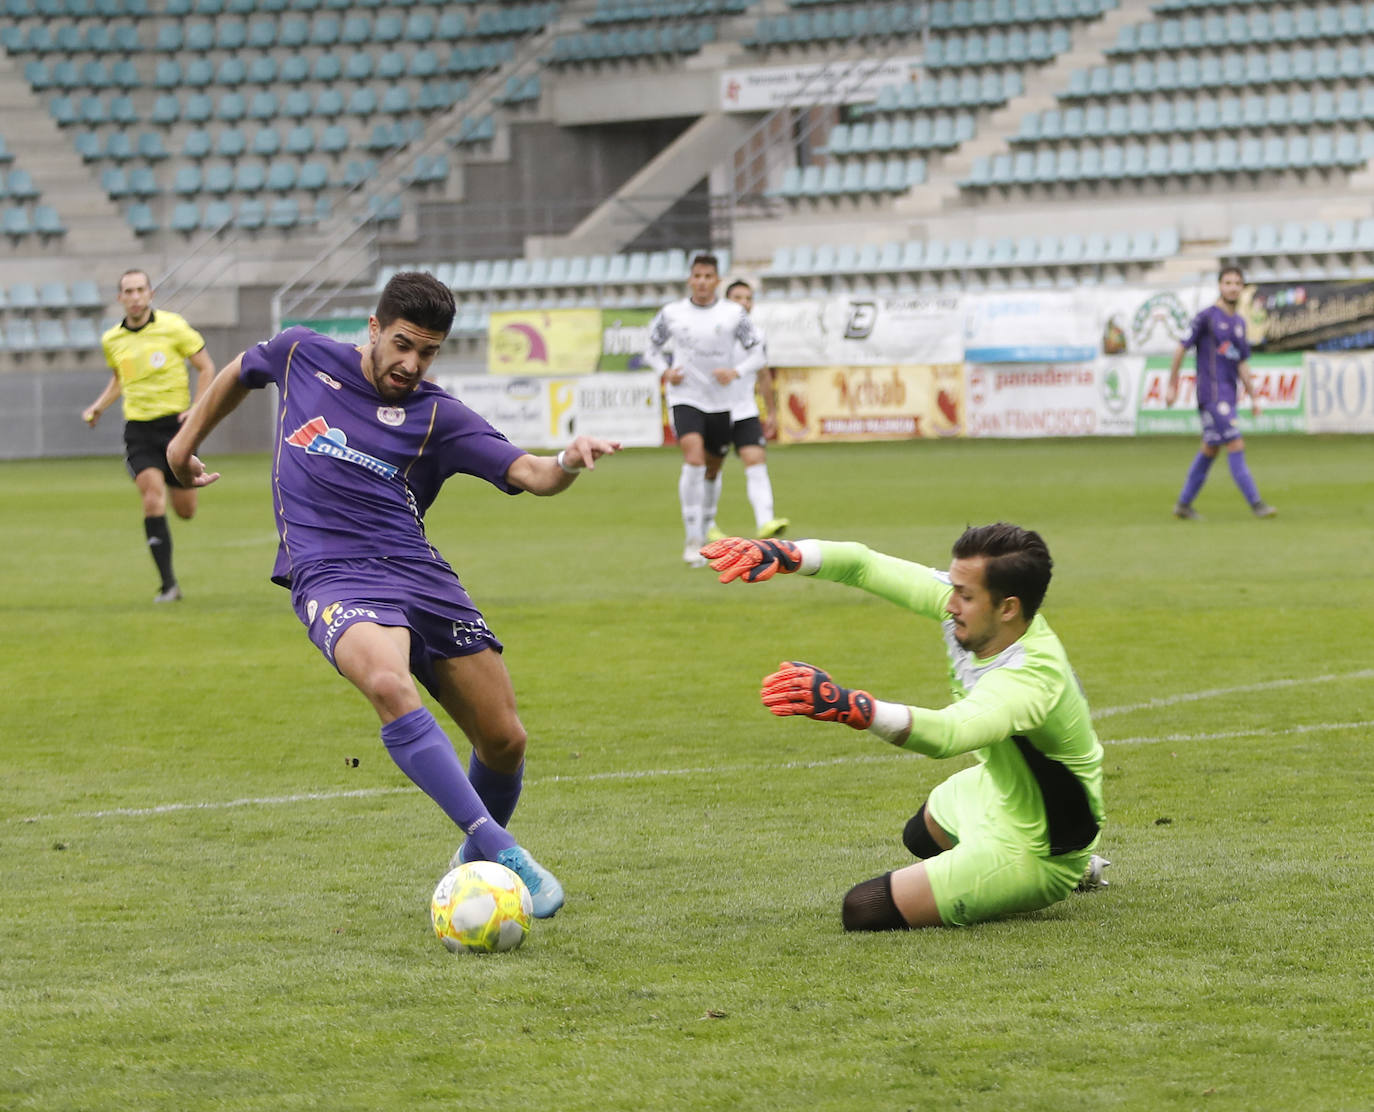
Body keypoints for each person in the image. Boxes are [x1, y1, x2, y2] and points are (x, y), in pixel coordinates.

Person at [166, 271, 620, 919]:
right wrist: (182, 448)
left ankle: (472, 874)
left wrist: (570, 460)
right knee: (386, 682)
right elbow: (242, 368)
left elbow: (532, 473)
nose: (412, 363)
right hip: (331, 572)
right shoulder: (304, 354)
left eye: (428, 352)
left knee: (504, 740)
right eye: (403, 344)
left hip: (419, 574)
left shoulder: (438, 413)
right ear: (373, 329)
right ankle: (499, 848)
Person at [701, 525, 1108, 930]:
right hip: (1000, 789)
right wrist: (784, 553)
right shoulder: (981, 617)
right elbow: (863, 565)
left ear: (1008, 607)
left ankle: (1063, 871)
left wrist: (853, 707)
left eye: (965, 596)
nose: (949, 604)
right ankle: (993, 865)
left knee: (863, 908)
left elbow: (950, 733)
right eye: (953, 587)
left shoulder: (1030, 679)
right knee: (919, 836)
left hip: (1041, 845)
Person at [82, 268, 216, 602]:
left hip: (176, 427)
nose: (135, 296)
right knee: (151, 496)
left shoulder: (174, 327)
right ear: (120, 298)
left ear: (150, 294)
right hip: (139, 429)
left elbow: (207, 367)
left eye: (140, 289)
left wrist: (197, 408)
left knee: (185, 511)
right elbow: (119, 380)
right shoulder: (112, 339)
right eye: (128, 291)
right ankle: (168, 585)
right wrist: (99, 406)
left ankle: (180, 487)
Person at [643, 253, 767, 567]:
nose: (702, 282)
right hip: (686, 396)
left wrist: (736, 371)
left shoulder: (733, 314)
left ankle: (706, 522)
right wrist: (665, 370)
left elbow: (757, 353)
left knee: (712, 468)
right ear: (690, 279)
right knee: (694, 459)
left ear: (717, 281)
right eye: (697, 276)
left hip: (721, 401)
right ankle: (692, 538)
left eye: (708, 276)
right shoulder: (672, 313)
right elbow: (651, 348)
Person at [1165, 266, 1276, 520]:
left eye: (1238, 283)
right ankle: (1257, 504)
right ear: (1219, 286)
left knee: (1210, 448)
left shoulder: (1239, 323)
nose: (1233, 287)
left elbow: (1242, 363)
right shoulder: (1206, 317)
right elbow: (1181, 348)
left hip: (1229, 394)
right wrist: (1172, 385)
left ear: (1242, 288)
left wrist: (1254, 396)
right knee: (1236, 442)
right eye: (1228, 282)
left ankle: (1183, 505)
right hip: (1211, 394)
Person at [699, 279, 787, 544]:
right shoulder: (711, 332)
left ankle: (765, 522)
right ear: (726, 301)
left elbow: (763, 374)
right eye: (738, 297)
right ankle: (706, 524)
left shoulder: (757, 336)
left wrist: (771, 411)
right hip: (715, 410)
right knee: (712, 469)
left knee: (756, 461)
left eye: (748, 298)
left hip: (746, 410)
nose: (744, 303)